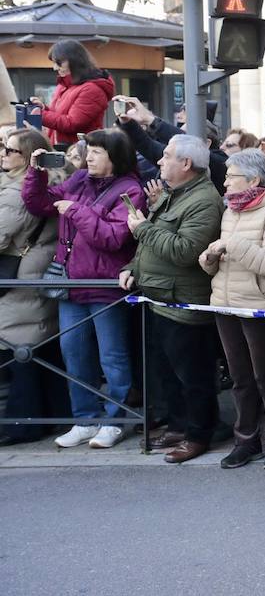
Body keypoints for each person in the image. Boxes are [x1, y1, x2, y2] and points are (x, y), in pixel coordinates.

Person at [22, 128, 144, 449]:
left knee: (112, 357)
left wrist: (75, 210)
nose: (88, 157)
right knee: (74, 354)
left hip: (104, 285)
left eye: (96, 152)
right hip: (71, 284)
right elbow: (40, 204)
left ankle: (115, 420)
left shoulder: (131, 189)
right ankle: (85, 419)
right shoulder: (79, 180)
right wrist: (36, 173)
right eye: (87, 150)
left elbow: (113, 238)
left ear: (114, 157)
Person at [120, 135, 224, 464]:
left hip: (184, 302)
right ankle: (179, 425)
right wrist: (132, 267)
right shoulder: (173, 194)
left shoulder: (204, 200)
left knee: (193, 375)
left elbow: (183, 251)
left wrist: (142, 230)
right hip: (158, 296)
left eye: (167, 156)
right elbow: (150, 243)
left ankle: (199, 434)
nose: (160, 162)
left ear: (186, 164)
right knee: (167, 372)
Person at [199, 149, 265, 470]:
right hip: (225, 304)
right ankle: (246, 439)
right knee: (239, 378)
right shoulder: (230, 210)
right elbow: (224, 261)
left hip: (260, 305)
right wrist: (209, 260)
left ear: (253, 179)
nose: (224, 182)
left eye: (230, 176)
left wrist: (232, 246)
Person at [0, 129, 64, 446]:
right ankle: (54, 414)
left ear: (26, 156)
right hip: (40, 271)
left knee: (19, 346)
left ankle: (22, 424)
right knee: (42, 344)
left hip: (20, 277)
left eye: (9, 149)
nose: (3, 153)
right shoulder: (49, 181)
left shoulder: (15, 193)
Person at [34, 40, 115, 146]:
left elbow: (72, 123)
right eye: (54, 63)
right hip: (63, 148)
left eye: (58, 63)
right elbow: (58, 116)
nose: (55, 68)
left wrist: (41, 115)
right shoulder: (64, 85)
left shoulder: (92, 90)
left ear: (74, 61)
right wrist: (44, 109)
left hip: (80, 153)